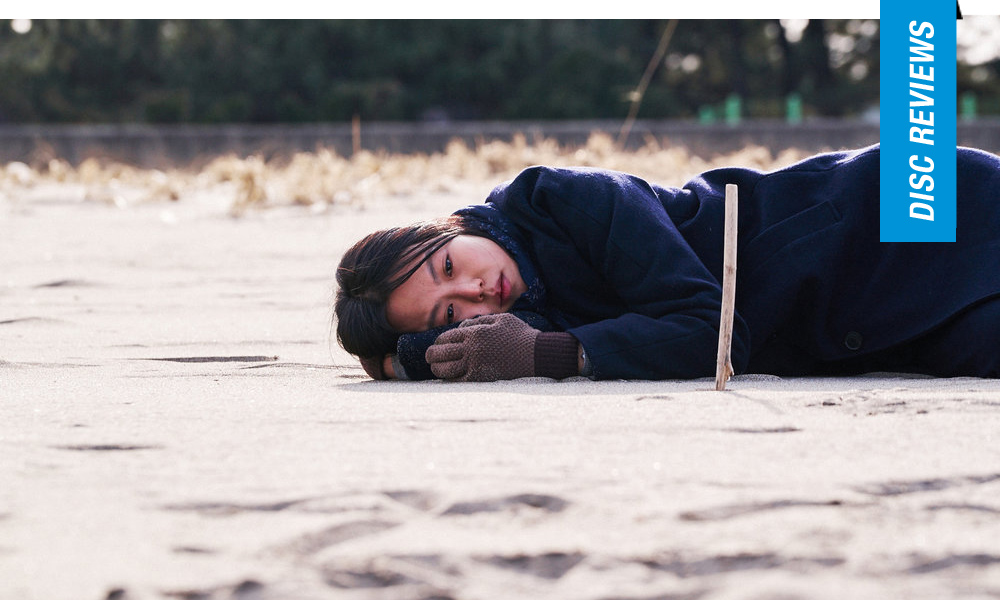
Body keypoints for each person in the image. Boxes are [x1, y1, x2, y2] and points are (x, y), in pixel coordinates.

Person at [334, 143, 1000, 381]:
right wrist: (406, 359)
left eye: (449, 267)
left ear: (445, 227)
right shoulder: (520, 313)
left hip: (886, 222)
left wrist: (547, 355)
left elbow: (713, 334)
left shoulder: (567, 199)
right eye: (454, 314)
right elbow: (468, 350)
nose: (482, 293)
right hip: (879, 326)